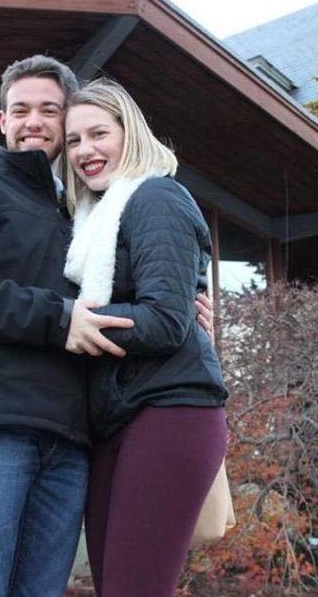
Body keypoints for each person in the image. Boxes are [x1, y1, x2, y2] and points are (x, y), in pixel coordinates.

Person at [0, 55, 215, 596]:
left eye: (50, 111)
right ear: (2, 120)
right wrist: (59, 318)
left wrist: (184, 311)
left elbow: (142, 297)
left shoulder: (86, 214)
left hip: (72, 438)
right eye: (21, 109)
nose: (34, 121)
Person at [62, 78, 229, 596]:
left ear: (128, 133)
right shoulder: (89, 223)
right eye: (73, 141)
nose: (85, 151)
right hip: (118, 415)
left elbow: (164, 320)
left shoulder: (155, 197)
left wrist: (66, 322)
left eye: (98, 134)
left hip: (170, 410)